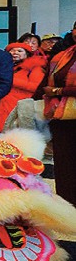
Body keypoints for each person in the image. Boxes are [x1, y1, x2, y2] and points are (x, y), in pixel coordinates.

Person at [42, 37, 76, 203]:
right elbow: (46, 85)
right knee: (64, 166)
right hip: (62, 117)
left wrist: (59, 90)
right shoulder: (63, 55)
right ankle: (67, 207)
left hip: (65, 107)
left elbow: (53, 88)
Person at [0, 42, 46, 131]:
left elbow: (36, 87)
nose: (15, 53)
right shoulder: (4, 67)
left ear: (27, 54)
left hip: (20, 106)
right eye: (12, 50)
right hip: (1, 105)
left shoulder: (35, 68)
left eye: (19, 51)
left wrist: (10, 80)